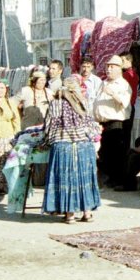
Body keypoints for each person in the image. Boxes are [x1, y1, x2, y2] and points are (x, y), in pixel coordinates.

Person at [40, 76, 102, 223]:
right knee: (84, 178)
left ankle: (70, 214)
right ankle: (87, 213)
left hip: (63, 145)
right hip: (84, 146)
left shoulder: (55, 104)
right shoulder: (83, 103)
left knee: (66, 178)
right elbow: (92, 127)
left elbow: (49, 127)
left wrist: (46, 141)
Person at [93, 56, 132, 188]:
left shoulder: (123, 84)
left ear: (119, 69)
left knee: (118, 153)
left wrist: (112, 94)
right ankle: (111, 178)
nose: (108, 69)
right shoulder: (103, 82)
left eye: (112, 67)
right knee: (105, 152)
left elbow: (124, 102)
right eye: (107, 66)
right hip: (102, 122)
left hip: (116, 122)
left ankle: (120, 180)